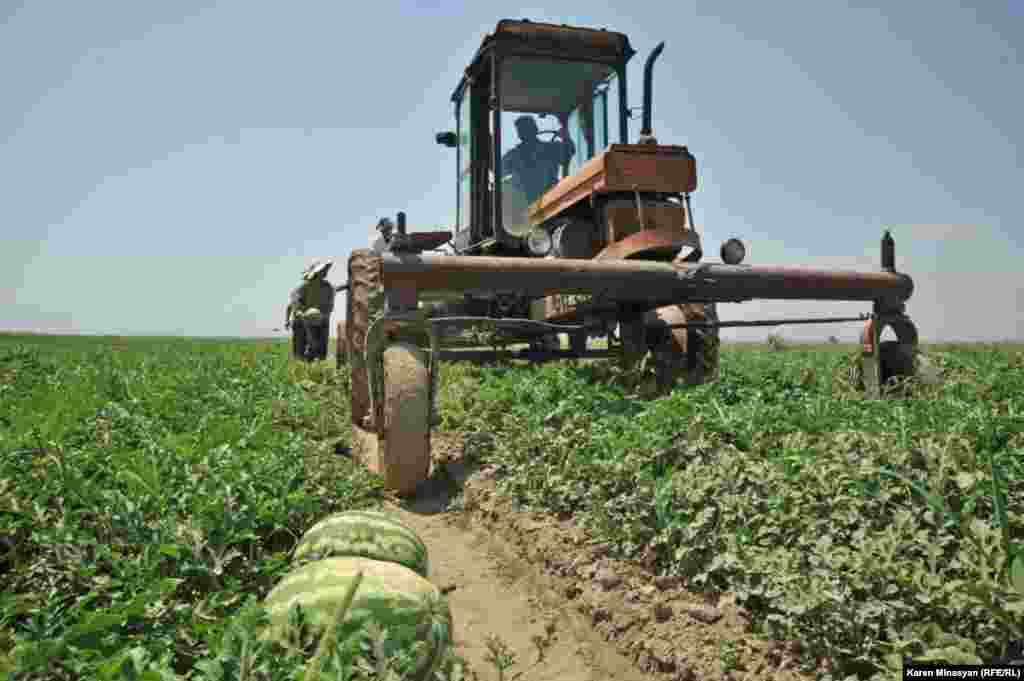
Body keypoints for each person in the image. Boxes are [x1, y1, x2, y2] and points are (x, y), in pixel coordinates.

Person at [501, 115, 576, 202]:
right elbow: (499, 170)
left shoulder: (550, 148)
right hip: (526, 205)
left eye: (527, 128)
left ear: (535, 129)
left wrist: (566, 137)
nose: (525, 132)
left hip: (550, 201)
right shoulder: (514, 155)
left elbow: (569, 151)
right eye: (522, 130)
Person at [285, 260, 336, 361]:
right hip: (301, 319)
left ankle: (319, 361)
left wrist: (322, 316)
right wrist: (290, 319)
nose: (325, 272)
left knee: (320, 350)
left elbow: (329, 306)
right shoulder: (302, 288)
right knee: (300, 351)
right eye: (322, 271)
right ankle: (300, 361)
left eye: (325, 270)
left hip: (321, 319)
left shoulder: (328, 288)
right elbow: (293, 306)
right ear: (315, 274)